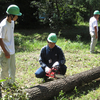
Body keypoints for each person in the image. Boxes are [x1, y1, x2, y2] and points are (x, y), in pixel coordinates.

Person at [0, 4, 22, 87]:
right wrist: (6, 52)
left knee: (12, 68)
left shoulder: (12, 23)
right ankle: (4, 85)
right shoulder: (3, 25)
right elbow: (0, 39)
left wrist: (12, 49)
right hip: (5, 51)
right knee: (5, 69)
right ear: (11, 16)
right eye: (16, 16)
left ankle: (11, 83)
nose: (17, 17)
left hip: (12, 50)